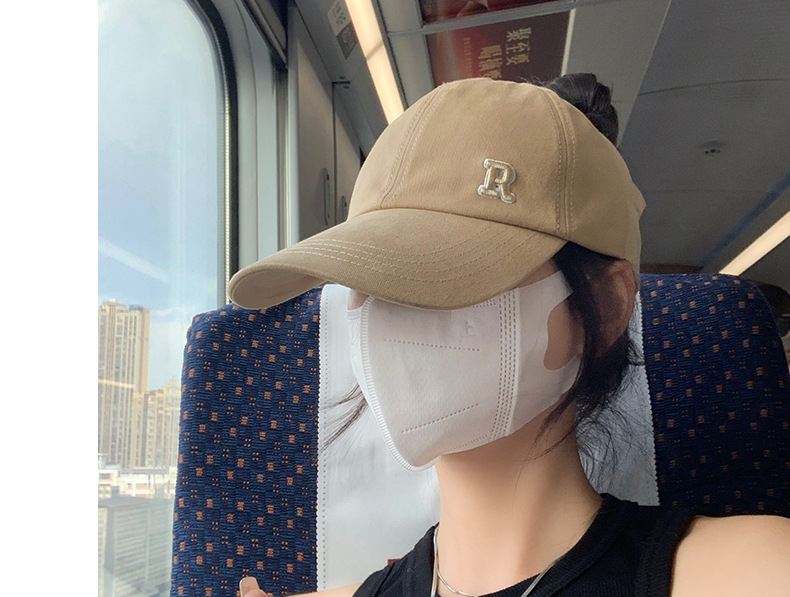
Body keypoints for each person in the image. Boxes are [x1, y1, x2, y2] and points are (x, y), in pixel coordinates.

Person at [228, 75, 790, 596]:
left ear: (604, 308)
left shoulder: (749, 573)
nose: (391, 320)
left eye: (449, 274)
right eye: (370, 282)